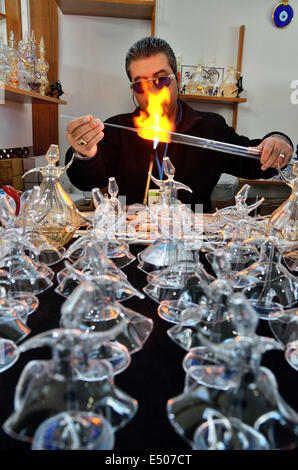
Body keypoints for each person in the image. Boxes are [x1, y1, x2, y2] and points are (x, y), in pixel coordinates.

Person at [65, 37, 293, 212]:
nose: (151, 91)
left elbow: (254, 162)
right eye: (139, 85)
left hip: (190, 247)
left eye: (161, 79)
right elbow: (86, 181)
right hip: (132, 244)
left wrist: (278, 141)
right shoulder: (116, 129)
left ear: (177, 79)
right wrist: (85, 153)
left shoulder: (210, 127)